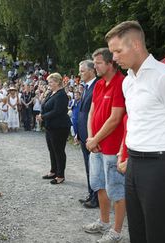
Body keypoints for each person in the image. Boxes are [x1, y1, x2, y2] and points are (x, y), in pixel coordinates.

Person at [106, 20, 165, 243]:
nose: (114, 58)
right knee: (137, 230)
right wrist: (126, 154)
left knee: (160, 233)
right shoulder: (128, 82)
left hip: (161, 164)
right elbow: (135, 122)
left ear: (136, 45)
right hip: (134, 163)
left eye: (118, 51)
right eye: (112, 52)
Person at [82, 48, 126, 243]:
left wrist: (95, 140)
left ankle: (116, 231)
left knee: (116, 189)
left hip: (111, 147)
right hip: (96, 145)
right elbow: (92, 112)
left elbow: (116, 118)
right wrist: (92, 139)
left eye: (98, 63)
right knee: (99, 184)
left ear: (110, 63)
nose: (95, 66)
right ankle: (104, 221)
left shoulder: (120, 83)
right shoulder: (99, 84)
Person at [37, 73, 71, 184]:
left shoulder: (61, 95)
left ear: (57, 82)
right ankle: (53, 171)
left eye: (51, 82)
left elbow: (57, 111)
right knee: (52, 149)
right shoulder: (51, 93)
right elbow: (45, 105)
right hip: (50, 126)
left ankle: (60, 175)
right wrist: (41, 115)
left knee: (59, 151)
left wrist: (43, 116)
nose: (49, 84)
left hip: (60, 127)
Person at [76, 60, 99, 209]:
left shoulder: (97, 85)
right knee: (88, 166)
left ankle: (96, 198)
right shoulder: (86, 87)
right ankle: (91, 194)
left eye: (82, 71)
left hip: (92, 135)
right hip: (84, 133)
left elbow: (94, 113)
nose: (80, 74)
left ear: (91, 71)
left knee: (94, 168)